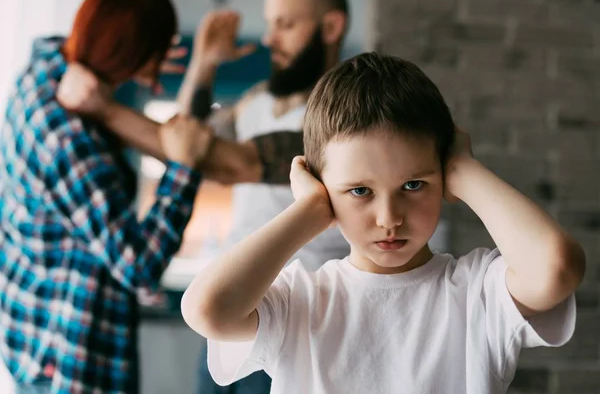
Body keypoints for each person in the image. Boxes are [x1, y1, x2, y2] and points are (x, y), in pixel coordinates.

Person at [180, 52, 586, 393]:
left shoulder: (477, 292)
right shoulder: (300, 300)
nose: (389, 218)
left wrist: (464, 171)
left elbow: (557, 267)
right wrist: (308, 213)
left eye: (413, 184)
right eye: (359, 191)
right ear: (322, 188)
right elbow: (206, 311)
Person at [58, 0, 353, 392]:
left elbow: (226, 162)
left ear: (331, 27)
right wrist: (205, 62)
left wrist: (102, 107)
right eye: (270, 23)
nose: (270, 38)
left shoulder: (345, 118)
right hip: (228, 310)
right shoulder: (256, 100)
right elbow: (185, 138)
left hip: (297, 323)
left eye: (286, 24)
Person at [0, 0, 214, 393]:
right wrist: (185, 169)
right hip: (68, 358)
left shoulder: (41, 74)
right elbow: (139, 264)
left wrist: (136, 59)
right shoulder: (65, 134)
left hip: (32, 334)